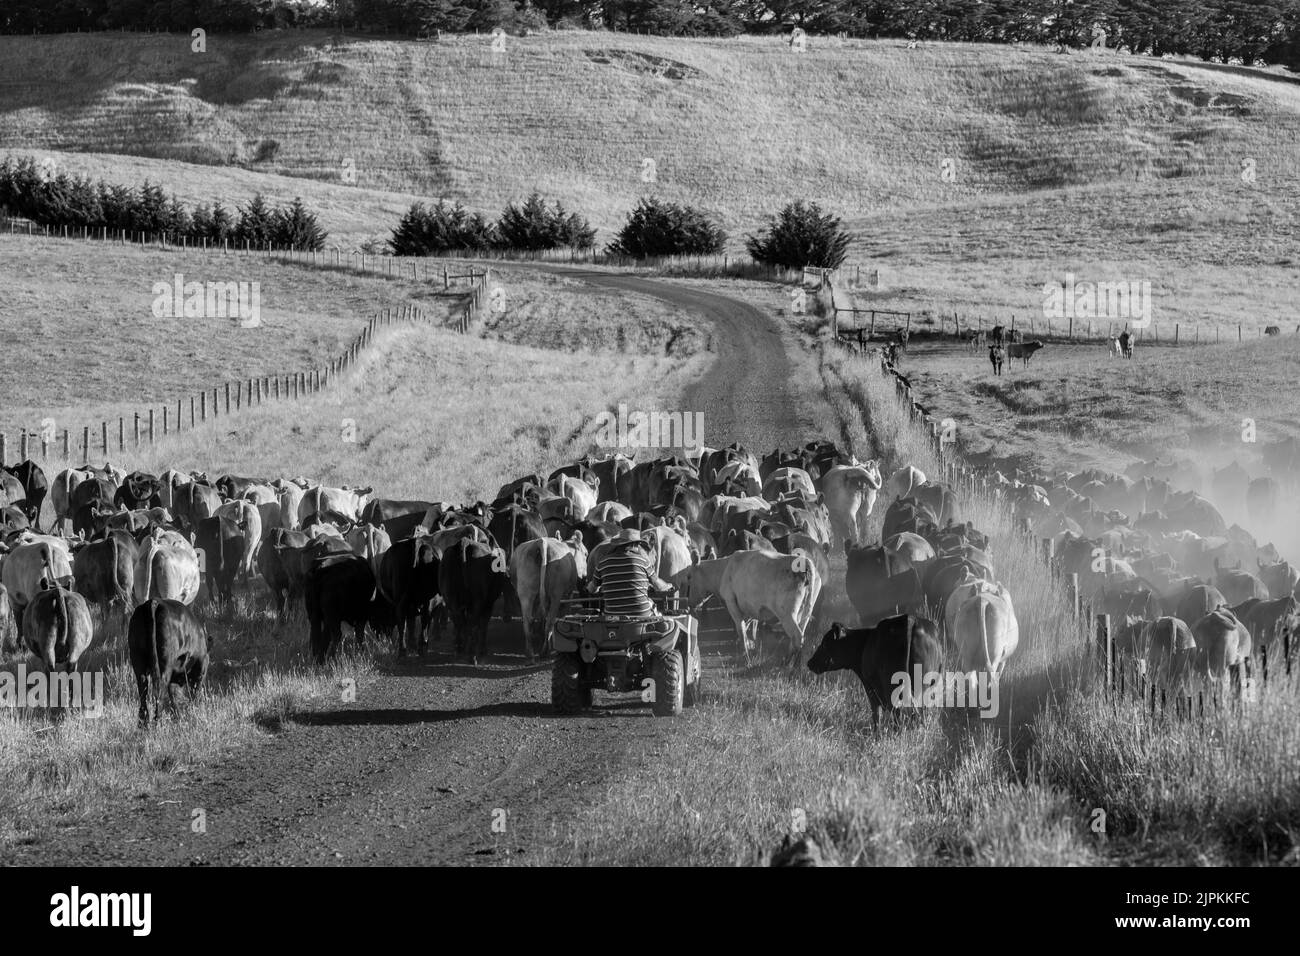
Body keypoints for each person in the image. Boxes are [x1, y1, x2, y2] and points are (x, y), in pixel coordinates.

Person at [590, 529, 675, 617]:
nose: (638, 548)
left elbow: (592, 589)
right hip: (641, 615)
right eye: (638, 545)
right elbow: (659, 586)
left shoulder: (602, 563)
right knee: (655, 609)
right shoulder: (642, 561)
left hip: (612, 616)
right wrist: (668, 586)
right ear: (634, 545)